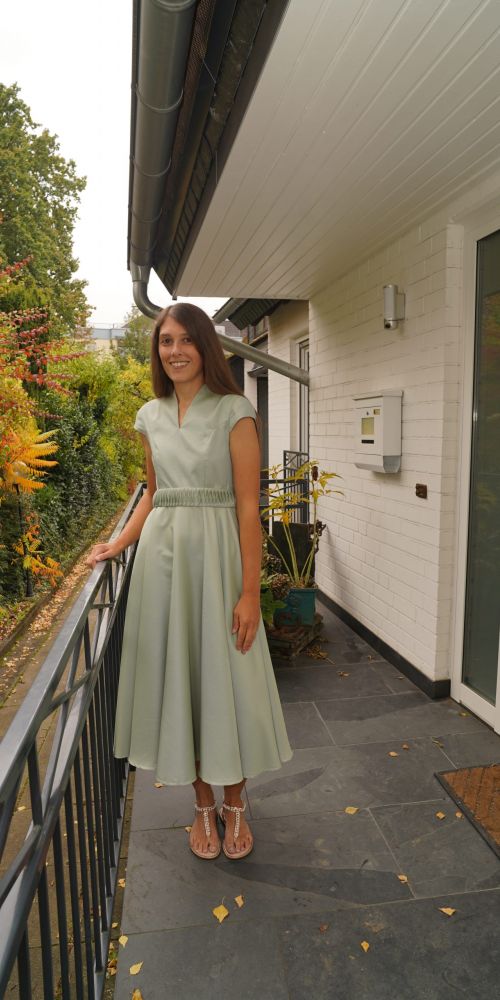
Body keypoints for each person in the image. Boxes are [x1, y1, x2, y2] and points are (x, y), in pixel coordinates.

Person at [86, 303, 292, 861]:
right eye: (164, 341)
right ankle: (202, 806)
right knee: (184, 683)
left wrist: (250, 593)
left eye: (185, 340)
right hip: (163, 568)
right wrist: (119, 544)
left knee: (228, 680)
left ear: (205, 345)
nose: (173, 350)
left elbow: (249, 509)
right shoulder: (148, 417)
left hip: (221, 564)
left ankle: (236, 800)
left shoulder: (235, 410)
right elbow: (154, 493)